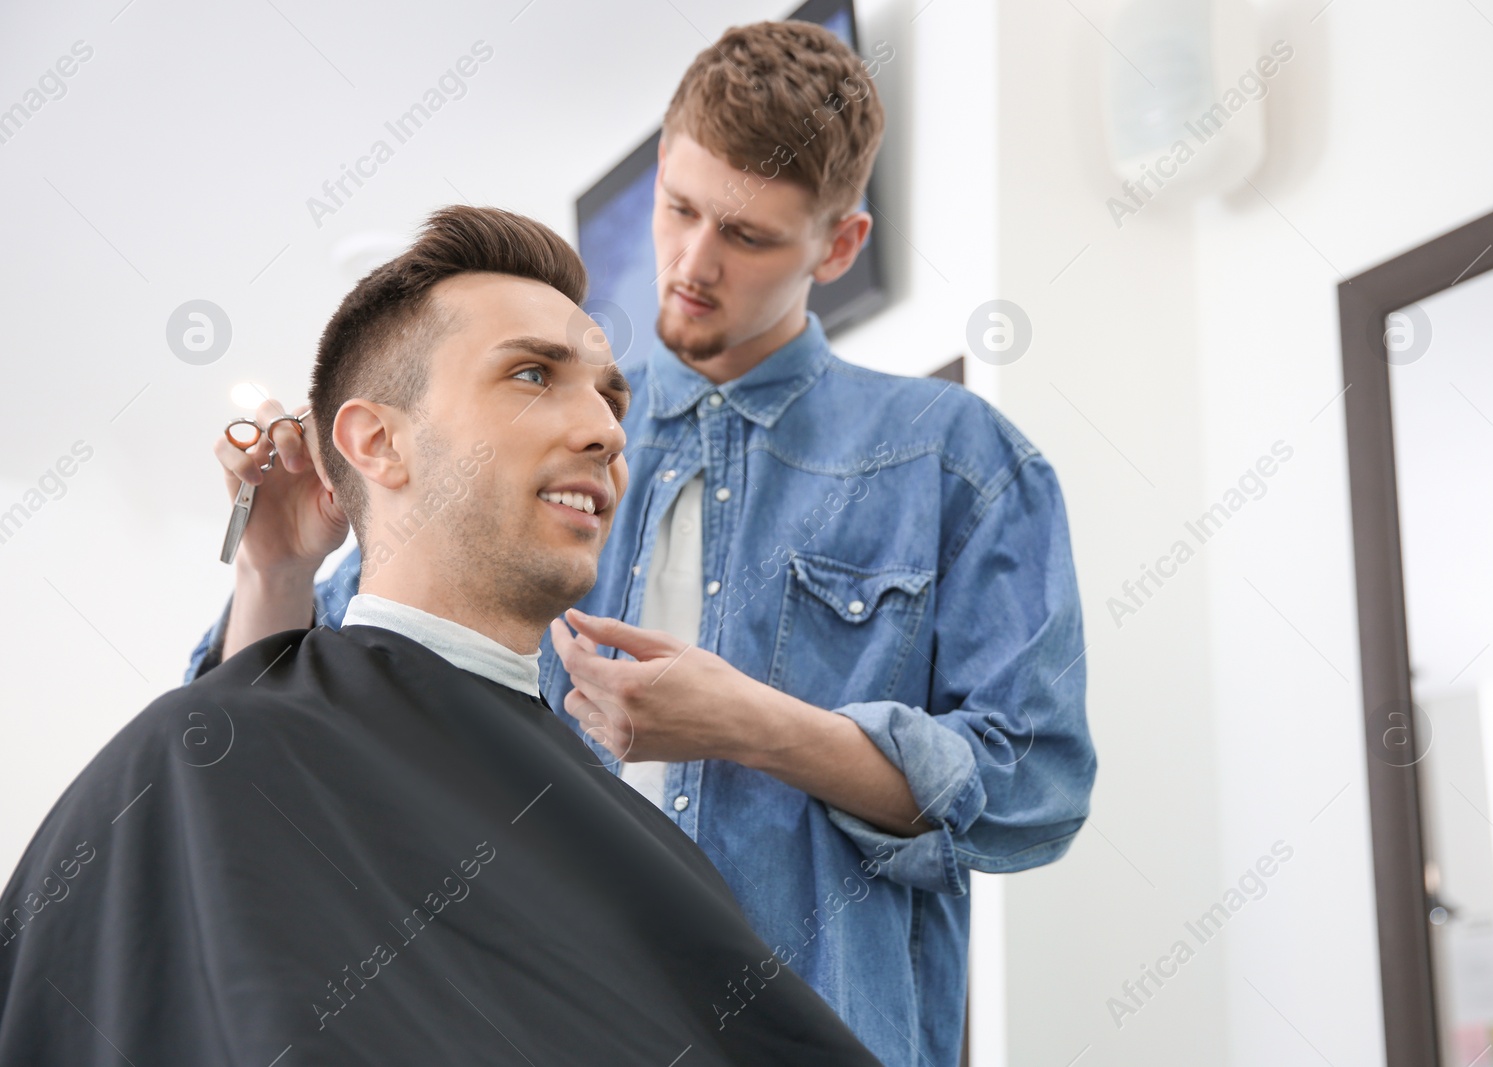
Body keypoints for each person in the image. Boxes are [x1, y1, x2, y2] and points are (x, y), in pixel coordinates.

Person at [190, 20, 1095, 1067]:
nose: (692, 266)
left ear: (837, 246)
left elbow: (1036, 792)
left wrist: (761, 727)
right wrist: (274, 565)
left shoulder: (961, 463)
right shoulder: (534, 445)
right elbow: (274, 719)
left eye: (748, 237)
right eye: (678, 209)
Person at [0, 205, 884, 1066]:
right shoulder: (194, 763)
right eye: (533, 375)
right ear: (377, 442)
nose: (607, 430)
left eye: (611, 396)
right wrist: (271, 573)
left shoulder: (650, 853)